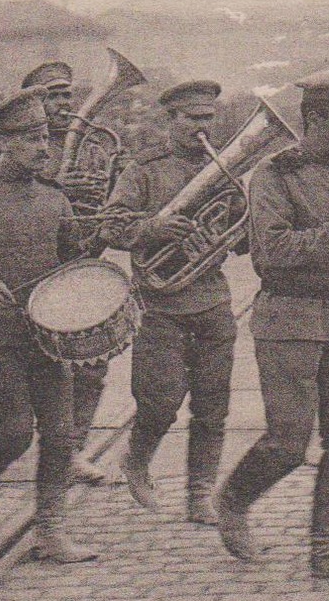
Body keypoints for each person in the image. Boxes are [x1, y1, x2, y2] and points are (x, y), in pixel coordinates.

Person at [212, 70, 329, 583]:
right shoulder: (274, 175)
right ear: (315, 117)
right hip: (286, 320)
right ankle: (233, 502)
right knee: (288, 443)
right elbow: (271, 255)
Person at [0, 88, 96, 563]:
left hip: (48, 335)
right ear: (3, 145)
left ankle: (51, 530)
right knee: (14, 431)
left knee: (59, 435)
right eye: (32, 139)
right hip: (0, 338)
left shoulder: (55, 198)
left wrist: (96, 237)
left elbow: (74, 255)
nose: (44, 148)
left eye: (46, 138)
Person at [98, 81, 240, 525]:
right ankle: (138, 458)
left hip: (212, 299)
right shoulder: (145, 169)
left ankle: (200, 495)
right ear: (171, 120)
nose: (203, 127)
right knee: (160, 402)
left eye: (209, 118)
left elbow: (242, 243)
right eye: (194, 119)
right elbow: (110, 227)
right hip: (160, 304)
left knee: (213, 405)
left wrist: (246, 216)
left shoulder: (224, 168)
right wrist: (154, 229)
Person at [21, 60, 108, 484]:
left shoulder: (94, 143)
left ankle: (72, 448)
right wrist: (63, 189)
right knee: (42, 368)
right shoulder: (21, 143)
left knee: (92, 362)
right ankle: (47, 443)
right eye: (52, 95)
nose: (63, 104)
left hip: (80, 261)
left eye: (66, 94)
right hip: (35, 269)